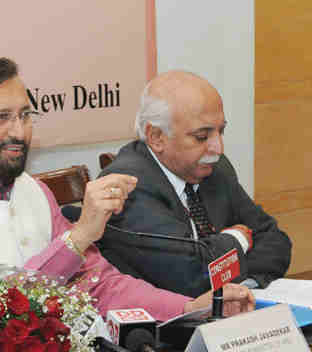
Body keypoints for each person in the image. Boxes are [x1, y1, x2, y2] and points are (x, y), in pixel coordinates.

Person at [0, 57, 254, 322]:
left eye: (25, 115)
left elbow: (99, 285)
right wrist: (76, 240)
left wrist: (188, 308)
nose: (19, 131)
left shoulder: (33, 191)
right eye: (1, 118)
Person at [98, 70, 291, 297]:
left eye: (221, 131)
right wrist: (237, 240)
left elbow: (276, 241)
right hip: (164, 325)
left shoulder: (215, 168)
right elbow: (190, 276)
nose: (217, 148)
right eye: (202, 137)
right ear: (157, 137)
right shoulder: (128, 185)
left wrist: (240, 285)